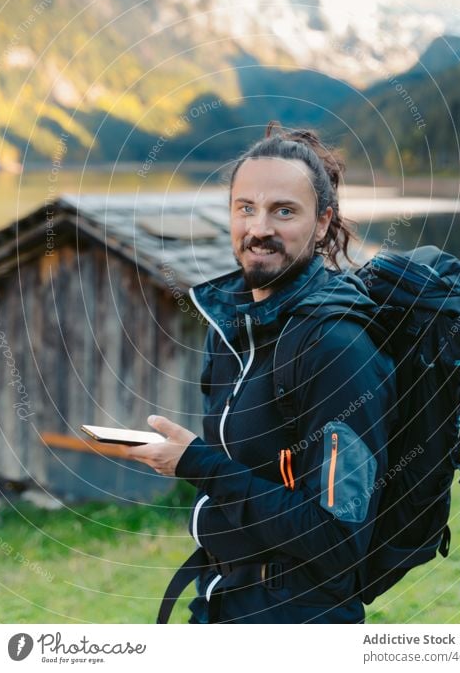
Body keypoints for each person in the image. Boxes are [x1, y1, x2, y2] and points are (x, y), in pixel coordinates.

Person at [124, 121, 397, 623]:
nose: (259, 228)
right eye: (245, 208)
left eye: (283, 211)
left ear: (322, 223)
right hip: (222, 602)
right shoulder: (230, 328)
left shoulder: (338, 346)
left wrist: (198, 464)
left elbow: (339, 539)